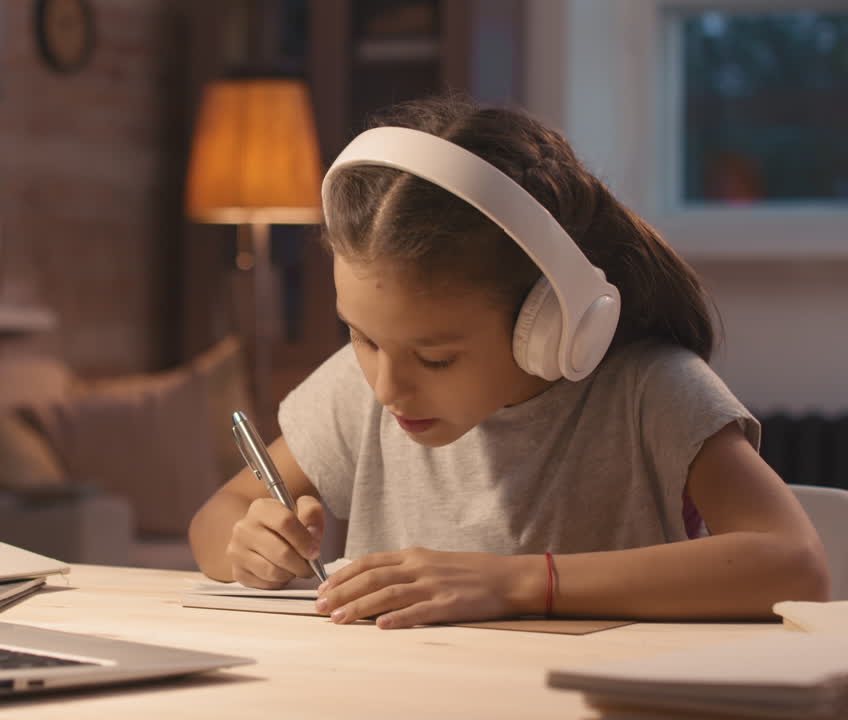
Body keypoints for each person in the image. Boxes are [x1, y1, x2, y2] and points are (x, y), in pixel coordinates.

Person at [187, 95, 829, 629]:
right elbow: (218, 515)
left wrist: (522, 582)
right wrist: (247, 545)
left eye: (436, 357)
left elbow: (794, 562)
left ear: (545, 324)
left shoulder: (648, 390)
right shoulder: (360, 390)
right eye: (363, 337)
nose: (387, 387)